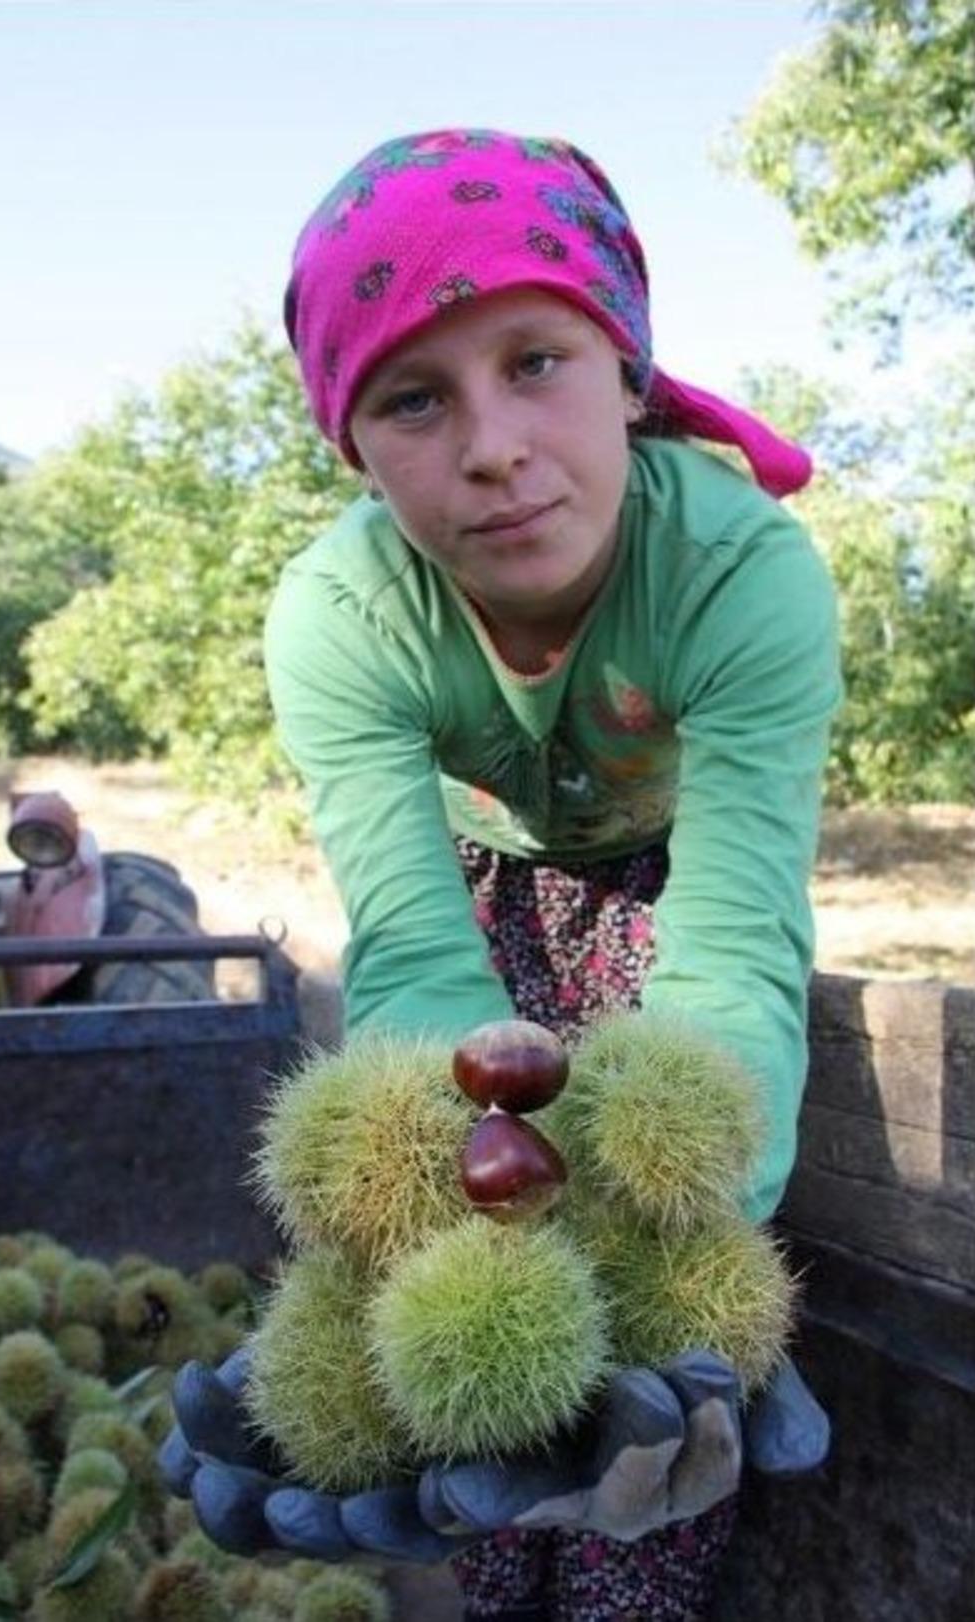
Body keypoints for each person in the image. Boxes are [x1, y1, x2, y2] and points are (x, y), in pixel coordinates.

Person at [166, 129, 840, 1621]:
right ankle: (489, 1563)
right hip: (487, 889)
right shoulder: (341, 611)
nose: (489, 444)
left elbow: (732, 947)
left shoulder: (744, 574)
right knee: (469, 1337)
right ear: (354, 443)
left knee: (650, 1397)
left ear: (627, 368)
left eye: (536, 360)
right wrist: (422, 1241)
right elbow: (410, 941)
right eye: (415, 397)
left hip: (674, 880)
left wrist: (677, 1223)